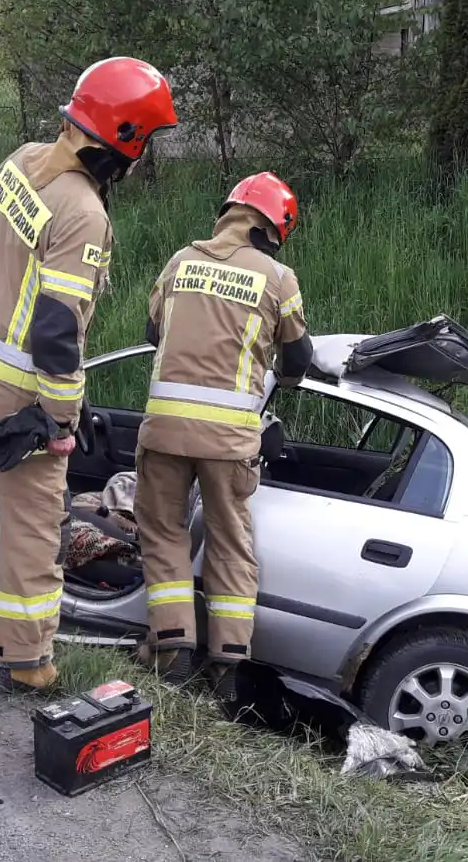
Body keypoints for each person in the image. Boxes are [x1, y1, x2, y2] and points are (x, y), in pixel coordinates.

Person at [0, 57, 178, 693]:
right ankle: (27, 660)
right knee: (35, 527)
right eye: (146, 140)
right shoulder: (84, 213)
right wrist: (62, 418)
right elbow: (54, 330)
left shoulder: (23, 160)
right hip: (23, 395)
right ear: (126, 139)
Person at [131, 172, 312, 699]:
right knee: (231, 543)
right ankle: (228, 665)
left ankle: (171, 649)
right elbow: (298, 358)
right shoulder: (278, 278)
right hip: (230, 442)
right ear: (274, 228)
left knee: (163, 533)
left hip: (164, 431)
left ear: (229, 211)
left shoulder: (179, 263)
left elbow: (151, 334)